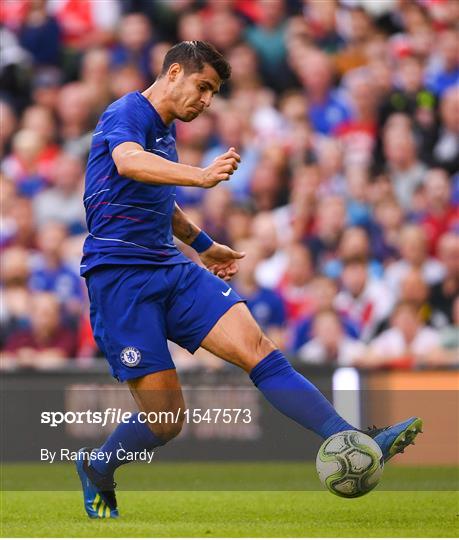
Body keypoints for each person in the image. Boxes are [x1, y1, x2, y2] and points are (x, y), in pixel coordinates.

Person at [76, 41, 422, 519]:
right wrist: (199, 176)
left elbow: (157, 201)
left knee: (258, 348)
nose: (207, 101)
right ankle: (97, 465)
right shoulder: (127, 112)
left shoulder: (165, 132)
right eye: (204, 87)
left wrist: (203, 245)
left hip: (170, 268)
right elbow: (128, 163)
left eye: (214, 93)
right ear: (173, 73)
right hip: (119, 278)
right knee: (165, 421)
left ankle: (354, 439)